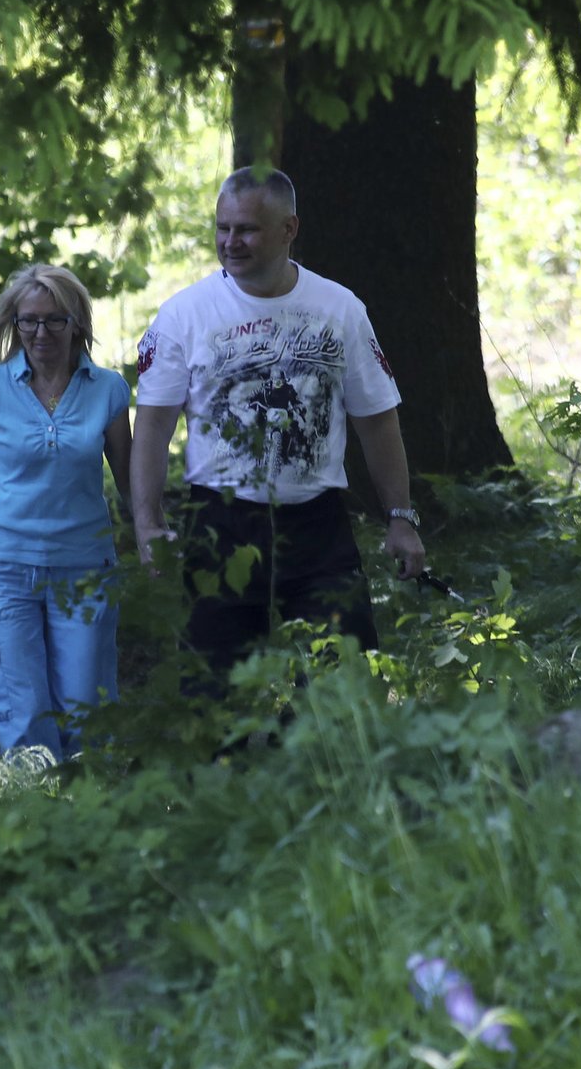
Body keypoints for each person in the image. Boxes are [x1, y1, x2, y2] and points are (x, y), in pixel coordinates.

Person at [130, 166, 425, 682]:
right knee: (214, 690)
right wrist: (149, 523)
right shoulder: (184, 314)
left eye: (246, 229)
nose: (230, 241)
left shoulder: (340, 310)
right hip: (218, 522)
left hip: (317, 525)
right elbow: (152, 429)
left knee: (342, 681)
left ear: (289, 229)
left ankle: (326, 760)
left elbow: (378, 422)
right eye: (222, 228)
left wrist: (400, 516)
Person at [0, 263, 132, 760]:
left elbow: (131, 480)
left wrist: (150, 539)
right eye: (28, 321)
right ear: (14, 324)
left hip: (85, 569)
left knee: (85, 708)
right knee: (19, 710)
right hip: (5, 568)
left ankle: (87, 822)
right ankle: (31, 817)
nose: (40, 333)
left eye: (53, 321)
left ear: (77, 325)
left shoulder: (108, 390)